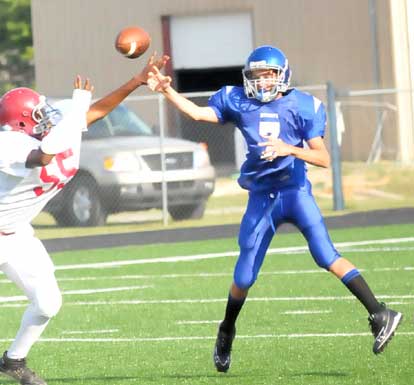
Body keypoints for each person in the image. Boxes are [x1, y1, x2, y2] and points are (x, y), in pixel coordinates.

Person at [147, 45, 403, 372]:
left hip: (294, 192)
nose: (263, 81)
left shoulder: (302, 105)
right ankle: (226, 329)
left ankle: (380, 313)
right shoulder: (238, 100)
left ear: (282, 75)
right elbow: (199, 114)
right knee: (244, 275)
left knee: (326, 255)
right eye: (257, 75)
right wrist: (168, 90)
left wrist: (288, 148)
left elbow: (323, 158)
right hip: (261, 197)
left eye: (268, 74)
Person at [0, 53, 169, 385]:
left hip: (16, 233)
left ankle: (13, 361)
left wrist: (135, 81)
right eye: (37, 116)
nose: (46, 119)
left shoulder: (53, 129)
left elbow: (96, 111)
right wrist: (75, 111)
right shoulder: (9, 142)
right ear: (19, 123)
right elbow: (43, 156)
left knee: (48, 303)